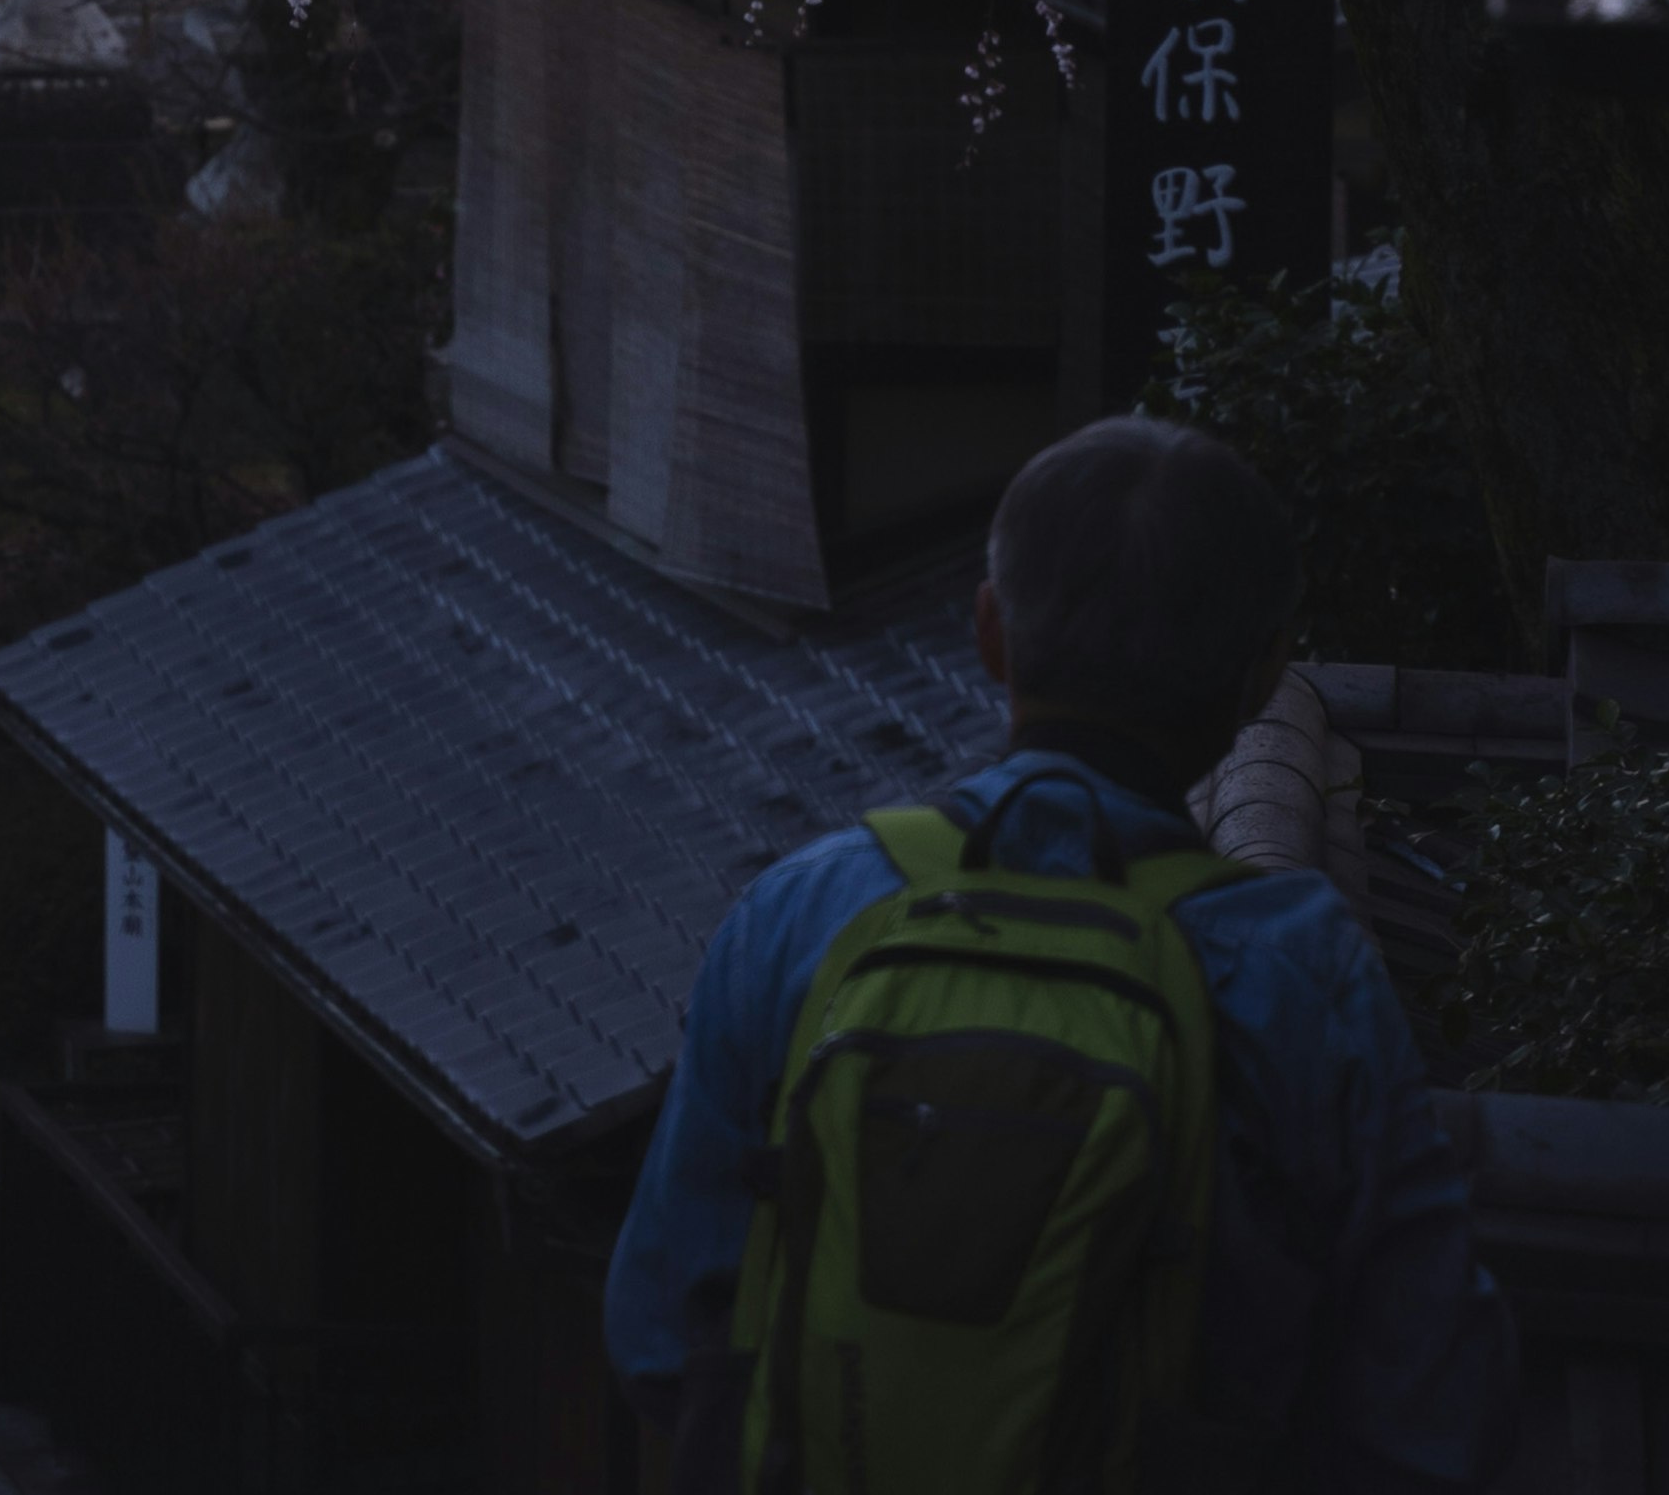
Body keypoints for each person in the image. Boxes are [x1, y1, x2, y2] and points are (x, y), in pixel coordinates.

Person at [605, 414, 1514, 1490]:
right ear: (1267, 671)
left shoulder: (800, 917)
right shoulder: (1302, 973)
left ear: (990, 631)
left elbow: (664, 1336)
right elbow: (1426, 1407)